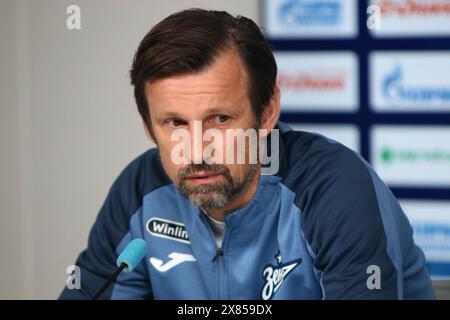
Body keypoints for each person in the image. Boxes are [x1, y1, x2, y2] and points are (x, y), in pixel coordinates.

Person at [60, 8, 435, 300]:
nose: (196, 149)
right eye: (175, 123)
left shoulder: (333, 186)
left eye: (219, 119)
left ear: (267, 111)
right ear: (147, 127)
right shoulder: (139, 190)